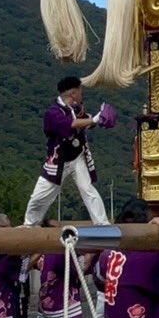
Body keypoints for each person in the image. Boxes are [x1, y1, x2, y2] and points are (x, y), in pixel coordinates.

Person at [23, 77, 113, 226]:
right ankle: (30, 225)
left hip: (77, 156)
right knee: (40, 196)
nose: (81, 94)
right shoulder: (52, 112)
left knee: (87, 189)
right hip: (58, 160)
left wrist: (98, 121)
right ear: (73, 93)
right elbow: (72, 124)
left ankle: (102, 224)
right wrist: (96, 119)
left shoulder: (76, 109)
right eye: (80, 91)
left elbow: (85, 121)